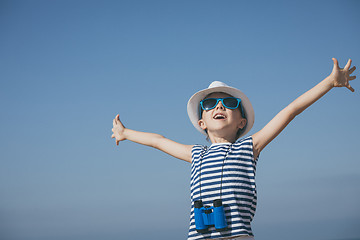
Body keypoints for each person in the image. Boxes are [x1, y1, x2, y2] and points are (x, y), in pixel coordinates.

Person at [111, 58, 356, 240]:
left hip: (238, 236)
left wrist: (329, 82)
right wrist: (126, 133)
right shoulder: (196, 153)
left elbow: (290, 111)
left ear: (241, 122)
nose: (219, 106)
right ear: (202, 123)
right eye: (210, 104)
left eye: (229, 103)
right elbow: (157, 140)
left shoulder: (249, 147)